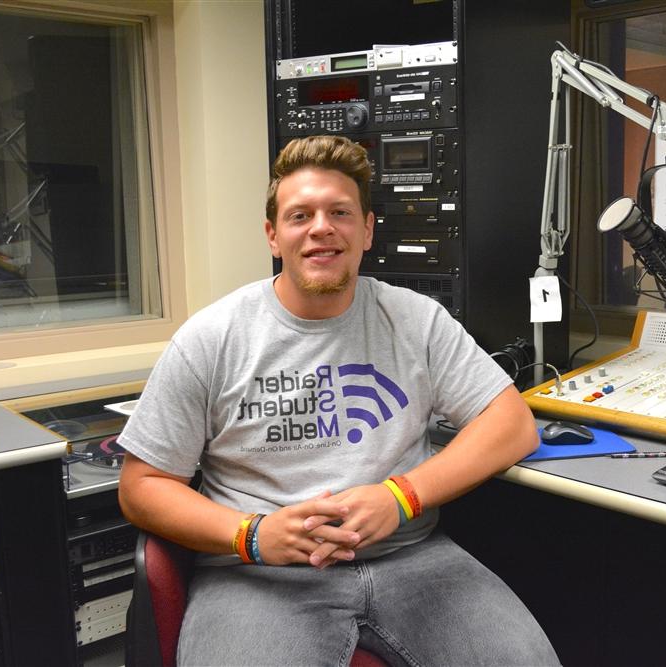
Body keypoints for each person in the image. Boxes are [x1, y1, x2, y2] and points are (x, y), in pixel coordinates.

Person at [118, 135, 560, 666]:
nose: (321, 228)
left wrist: (401, 498)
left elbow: (512, 424)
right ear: (273, 236)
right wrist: (253, 536)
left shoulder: (415, 320)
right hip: (260, 577)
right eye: (299, 215)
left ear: (367, 229)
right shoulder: (212, 338)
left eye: (340, 212)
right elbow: (142, 487)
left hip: (413, 558)